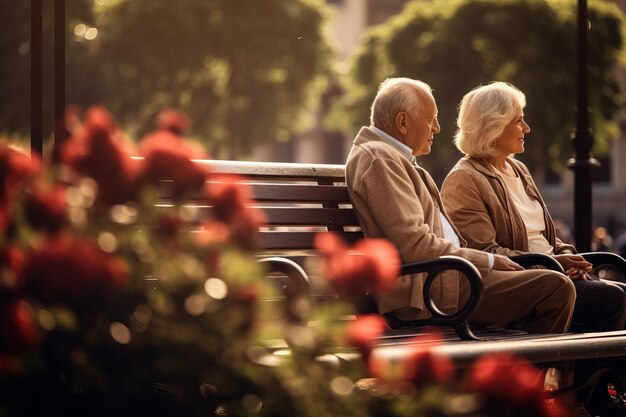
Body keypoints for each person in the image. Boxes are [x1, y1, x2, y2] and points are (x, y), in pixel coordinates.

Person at [345, 77, 576, 334]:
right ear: (402, 122)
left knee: (562, 286)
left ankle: (524, 371)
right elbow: (414, 245)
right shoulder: (380, 158)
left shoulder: (390, 156)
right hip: (432, 291)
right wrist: (487, 260)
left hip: (447, 279)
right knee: (554, 288)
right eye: (430, 119)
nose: (437, 128)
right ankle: (531, 374)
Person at [440, 81, 626, 335]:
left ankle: (589, 375)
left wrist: (570, 257)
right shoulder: (465, 179)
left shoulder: (519, 169)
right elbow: (486, 253)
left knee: (619, 293)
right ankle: (583, 375)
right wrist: (552, 264)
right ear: (493, 126)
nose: (526, 128)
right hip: (529, 283)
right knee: (611, 298)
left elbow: (543, 236)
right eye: (518, 121)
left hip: (552, 272)